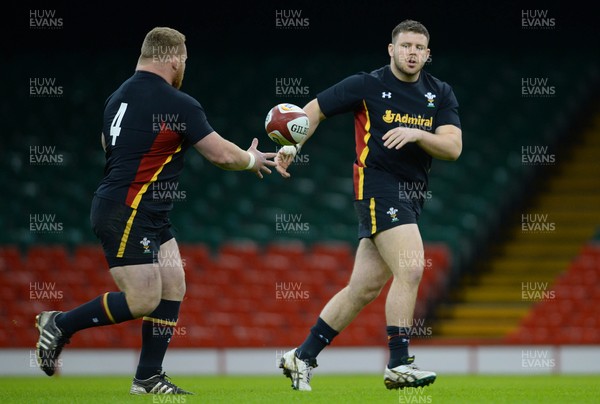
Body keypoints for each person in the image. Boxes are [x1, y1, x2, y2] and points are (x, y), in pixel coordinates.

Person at [34, 26, 276, 395]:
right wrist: (250, 160)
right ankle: (60, 324)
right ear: (174, 59)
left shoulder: (117, 97)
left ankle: (148, 376)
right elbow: (221, 154)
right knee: (144, 299)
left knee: (174, 284)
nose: (184, 69)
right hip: (128, 210)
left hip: (142, 209)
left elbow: (108, 144)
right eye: (185, 62)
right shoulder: (177, 102)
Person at [276, 19, 462, 391]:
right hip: (376, 186)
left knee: (362, 289)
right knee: (410, 269)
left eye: (419, 48)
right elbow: (312, 110)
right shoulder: (367, 84)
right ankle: (398, 363)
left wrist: (417, 133)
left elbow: (453, 147)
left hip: (411, 195)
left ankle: (302, 356)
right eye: (405, 45)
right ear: (391, 49)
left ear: (427, 54)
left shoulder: (439, 92)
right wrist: (292, 146)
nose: (412, 52)